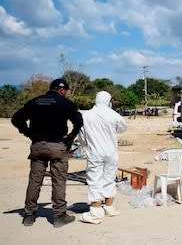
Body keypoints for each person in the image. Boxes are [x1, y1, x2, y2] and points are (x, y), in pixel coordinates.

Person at [11, 78, 83, 227]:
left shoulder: (35, 102)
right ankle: (59, 216)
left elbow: (16, 119)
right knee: (58, 180)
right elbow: (79, 122)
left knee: (35, 181)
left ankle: (29, 215)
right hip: (57, 146)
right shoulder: (65, 103)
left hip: (37, 146)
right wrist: (70, 138)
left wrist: (28, 133)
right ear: (62, 90)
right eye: (66, 91)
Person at [78, 91, 127, 224]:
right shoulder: (113, 114)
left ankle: (95, 211)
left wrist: (85, 146)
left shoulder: (86, 115)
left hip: (95, 151)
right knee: (109, 178)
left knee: (94, 179)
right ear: (109, 101)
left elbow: (81, 136)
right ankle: (109, 207)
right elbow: (123, 128)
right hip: (111, 152)